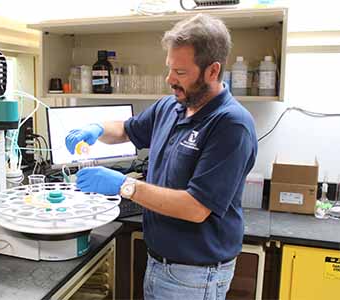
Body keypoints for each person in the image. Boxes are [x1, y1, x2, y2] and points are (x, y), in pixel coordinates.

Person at [65, 14, 257, 300]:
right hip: (159, 262)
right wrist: (96, 128)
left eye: (180, 73)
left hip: (195, 274)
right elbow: (126, 130)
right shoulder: (172, 105)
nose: (169, 80)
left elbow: (196, 207)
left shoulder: (230, 125)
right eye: (169, 68)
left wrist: (124, 186)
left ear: (212, 71)